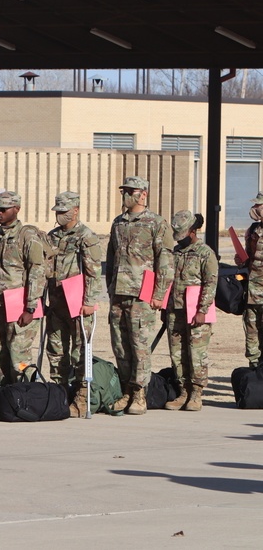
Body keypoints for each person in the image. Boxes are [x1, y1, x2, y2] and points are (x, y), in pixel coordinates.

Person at [105, 176, 175, 415]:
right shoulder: (118, 222)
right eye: (123, 190)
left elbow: (165, 260)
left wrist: (159, 294)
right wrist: (110, 288)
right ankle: (126, 390)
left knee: (140, 346)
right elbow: (111, 258)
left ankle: (139, 394)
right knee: (120, 346)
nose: (125, 195)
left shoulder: (156, 222)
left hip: (141, 295)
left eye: (130, 191)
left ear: (143, 194)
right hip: (118, 293)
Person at [47, 191, 102, 417]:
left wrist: (89, 301)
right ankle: (60, 391)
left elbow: (93, 271)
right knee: (56, 350)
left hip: (78, 303)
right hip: (57, 302)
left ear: (76, 210)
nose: (60, 215)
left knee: (80, 350)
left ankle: (81, 396)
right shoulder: (52, 237)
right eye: (58, 211)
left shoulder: (86, 237)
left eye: (64, 211)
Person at [0, 191, 46, 385]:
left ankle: (24, 395)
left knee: (19, 356)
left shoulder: (27, 236)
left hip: (19, 304)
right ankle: (2, 397)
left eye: (4, 209)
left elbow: (37, 271)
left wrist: (31, 308)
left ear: (16, 209)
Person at [164, 212, 217, 412]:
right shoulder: (175, 252)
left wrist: (202, 310)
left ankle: (196, 392)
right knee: (177, 353)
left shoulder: (205, 253)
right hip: (174, 310)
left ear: (193, 231)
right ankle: (183, 391)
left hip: (196, 312)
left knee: (196, 353)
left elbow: (210, 283)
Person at [238, 192, 263, 367]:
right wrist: (240, 259)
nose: (254, 209)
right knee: (251, 332)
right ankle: (254, 369)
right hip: (252, 292)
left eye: (258, 206)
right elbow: (247, 257)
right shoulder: (253, 230)